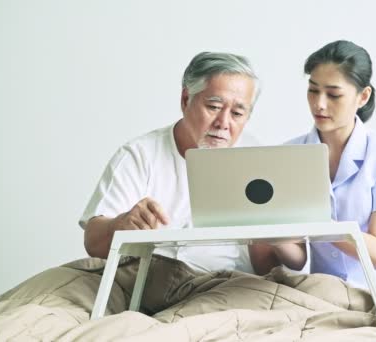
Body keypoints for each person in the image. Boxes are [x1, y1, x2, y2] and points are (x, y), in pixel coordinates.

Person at [249, 40, 376, 302]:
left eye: (333, 94)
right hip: (332, 294)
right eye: (312, 91)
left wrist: (314, 224)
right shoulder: (287, 155)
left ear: (363, 96)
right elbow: (297, 260)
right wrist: (275, 235)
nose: (319, 104)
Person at [80, 51, 260, 274]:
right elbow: (92, 241)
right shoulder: (140, 154)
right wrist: (121, 224)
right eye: (213, 107)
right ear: (186, 100)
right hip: (143, 278)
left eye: (237, 113)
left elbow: (265, 264)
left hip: (218, 284)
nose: (223, 123)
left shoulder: (255, 160)